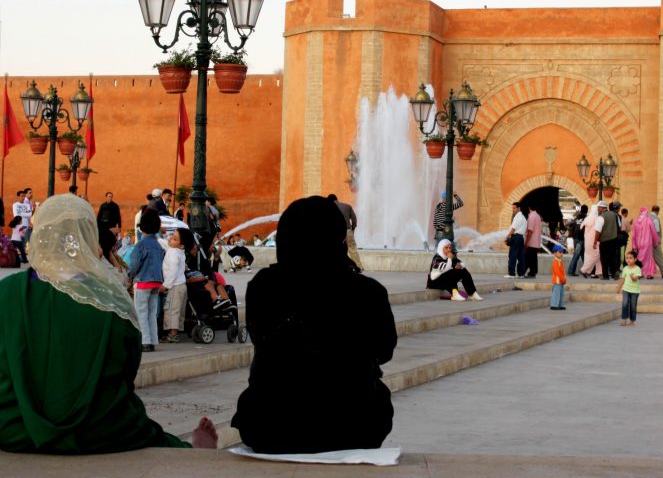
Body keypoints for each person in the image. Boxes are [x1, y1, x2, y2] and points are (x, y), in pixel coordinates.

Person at [0, 194, 217, 453]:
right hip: (99, 431)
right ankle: (196, 451)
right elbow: (126, 371)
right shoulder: (110, 300)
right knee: (142, 428)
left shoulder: (7, 293)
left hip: (15, 428)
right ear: (89, 237)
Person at [232, 196, 397, 454]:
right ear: (339, 237)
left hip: (270, 425)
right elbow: (384, 351)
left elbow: (261, 338)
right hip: (355, 425)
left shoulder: (263, 287)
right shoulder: (368, 292)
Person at [127, 209, 165, 352]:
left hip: (143, 282)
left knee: (141, 311)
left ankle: (144, 341)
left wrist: (129, 276)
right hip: (156, 282)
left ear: (142, 227)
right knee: (151, 312)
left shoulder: (141, 245)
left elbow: (134, 264)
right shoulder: (158, 245)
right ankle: (153, 340)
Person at [328, 193, 363, 272]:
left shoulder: (329, 208)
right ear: (337, 199)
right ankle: (358, 267)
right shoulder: (347, 206)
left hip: (335, 232)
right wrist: (352, 229)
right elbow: (354, 219)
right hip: (347, 231)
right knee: (352, 249)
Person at [631, 207, 659, 279]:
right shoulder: (649, 219)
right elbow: (653, 232)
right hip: (647, 242)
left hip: (638, 242)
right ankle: (648, 273)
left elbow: (633, 234)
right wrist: (656, 242)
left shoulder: (636, 220)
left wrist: (633, 245)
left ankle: (640, 272)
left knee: (640, 256)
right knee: (648, 258)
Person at [594, 200, 620, 280]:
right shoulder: (615, 215)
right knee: (613, 257)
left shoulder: (601, 217)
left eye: (598, 208)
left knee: (604, 258)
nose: (598, 209)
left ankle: (605, 275)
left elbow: (598, 230)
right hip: (614, 239)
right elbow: (619, 226)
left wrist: (595, 241)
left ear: (602, 208)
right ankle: (614, 273)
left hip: (604, 241)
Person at [617, 249, 642, 326]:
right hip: (626, 289)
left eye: (631, 258)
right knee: (624, 304)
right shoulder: (625, 268)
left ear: (635, 259)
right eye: (627, 258)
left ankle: (632, 321)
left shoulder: (637, 269)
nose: (628, 260)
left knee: (633, 306)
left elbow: (635, 279)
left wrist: (632, 277)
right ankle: (624, 319)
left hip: (635, 291)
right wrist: (619, 287)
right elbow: (623, 279)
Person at [504, 202, 527, 278]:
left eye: (514, 208)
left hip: (516, 237)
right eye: (512, 208)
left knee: (512, 255)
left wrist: (507, 237)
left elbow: (513, 228)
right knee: (521, 256)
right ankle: (521, 274)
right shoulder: (523, 217)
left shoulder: (518, 217)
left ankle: (511, 273)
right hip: (521, 238)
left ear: (519, 208)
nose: (513, 210)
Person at [579, 205, 603, 278]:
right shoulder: (597, 218)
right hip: (594, 240)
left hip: (587, 240)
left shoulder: (587, 218)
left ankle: (599, 272)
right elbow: (599, 229)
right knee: (597, 254)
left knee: (588, 256)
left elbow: (581, 227)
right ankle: (584, 270)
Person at [567, 205, 588, 276]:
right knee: (577, 255)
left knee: (583, 255)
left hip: (575, 238)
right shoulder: (586, 218)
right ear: (586, 210)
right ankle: (570, 271)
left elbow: (572, 228)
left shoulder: (576, 218)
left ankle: (587, 271)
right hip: (581, 239)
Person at [524, 205, 542, 278]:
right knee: (533, 258)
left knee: (527, 258)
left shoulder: (531, 217)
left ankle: (522, 272)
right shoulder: (538, 216)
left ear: (529, 208)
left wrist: (527, 242)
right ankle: (532, 272)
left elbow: (530, 231)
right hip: (536, 241)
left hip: (531, 241)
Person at [550, 244, 567, 310]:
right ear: (554, 253)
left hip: (561, 281)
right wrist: (563, 278)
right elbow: (557, 272)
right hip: (557, 281)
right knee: (556, 293)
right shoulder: (555, 262)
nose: (561, 254)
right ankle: (554, 305)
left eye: (562, 252)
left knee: (561, 293)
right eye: (560, 252)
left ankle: (560, 305)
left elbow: (563, 271)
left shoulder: (560, 261)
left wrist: (564, 278)